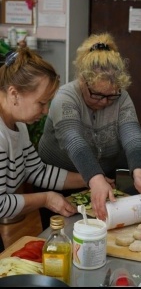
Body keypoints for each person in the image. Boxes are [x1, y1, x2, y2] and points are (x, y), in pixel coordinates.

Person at [37, 32, 141, 229]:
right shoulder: (65, 97)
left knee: (102, 233)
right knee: (65, 235)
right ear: (82, 81)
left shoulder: (122, 98)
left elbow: (132, 136)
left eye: (111, 96)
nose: (104, 102)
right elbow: (73, 140)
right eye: (97, 95)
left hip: (103, 181)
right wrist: (95, 178)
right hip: (59, 181)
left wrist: (139, 173)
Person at [0, 48, 88, 223]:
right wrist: (46, 199)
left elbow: (37, 171)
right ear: (14, 94)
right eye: (41, 103)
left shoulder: (19, 125)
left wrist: (90, 179)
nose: (46, 111)